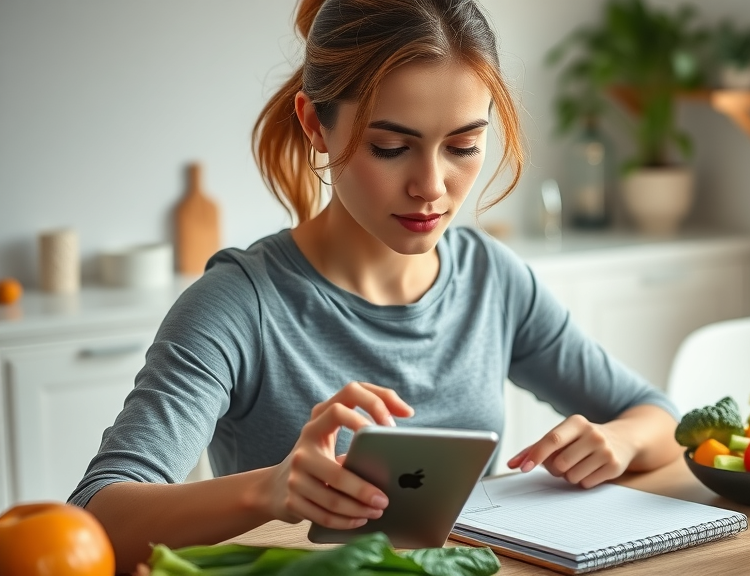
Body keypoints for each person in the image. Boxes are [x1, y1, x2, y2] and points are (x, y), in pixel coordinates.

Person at [70, 0, 682, 572]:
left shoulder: (492, 279)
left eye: (464, 146)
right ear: (315, 125)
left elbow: (659, 418)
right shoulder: (239, 305)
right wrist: (272, 488)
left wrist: (619, 441)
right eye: (390, 147)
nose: (432, 187)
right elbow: (97, 515)